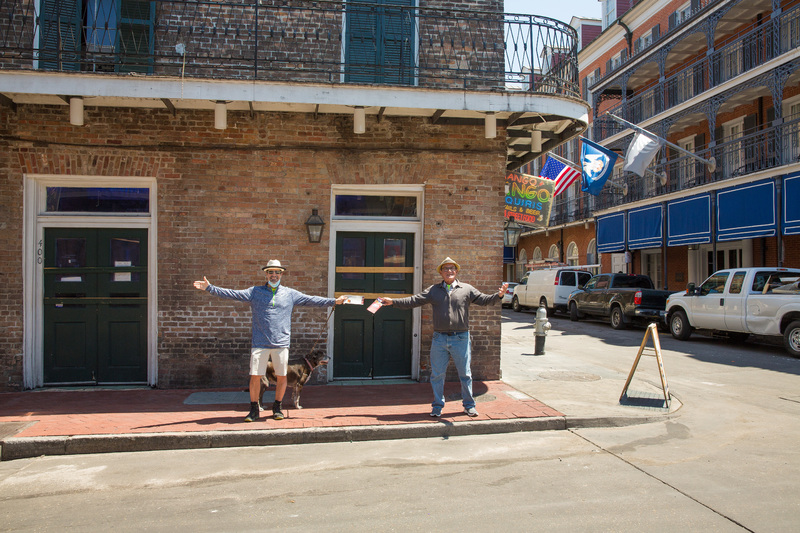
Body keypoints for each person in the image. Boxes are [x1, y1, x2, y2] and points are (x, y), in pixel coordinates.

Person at [193, 260, 346, 422]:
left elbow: (312, 300)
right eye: (270, 272)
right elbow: (232, 293)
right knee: (255, 376)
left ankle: (277, 407)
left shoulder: (290, 294)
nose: (274, 275)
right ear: (266, 274)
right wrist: (210, 288)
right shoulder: (255, 292)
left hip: (281, 343)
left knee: (282, 377)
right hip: (260, 343)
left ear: (282, 274)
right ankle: (254, 410)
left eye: (277, 272)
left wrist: (334, 301)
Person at [382, 257, 508, 417]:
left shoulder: (466, 289)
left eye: (452, 268)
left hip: (461, 338)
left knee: (465, 374)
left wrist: (499, 295)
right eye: (446, 268)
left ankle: (469, 405)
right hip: (439, 339)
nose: (449, 271)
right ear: (441, 272)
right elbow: (414, 300)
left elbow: (484, 300)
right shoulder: (434, 290)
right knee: (437, 375)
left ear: (457, 271)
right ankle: (437, 406)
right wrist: (393, 302)